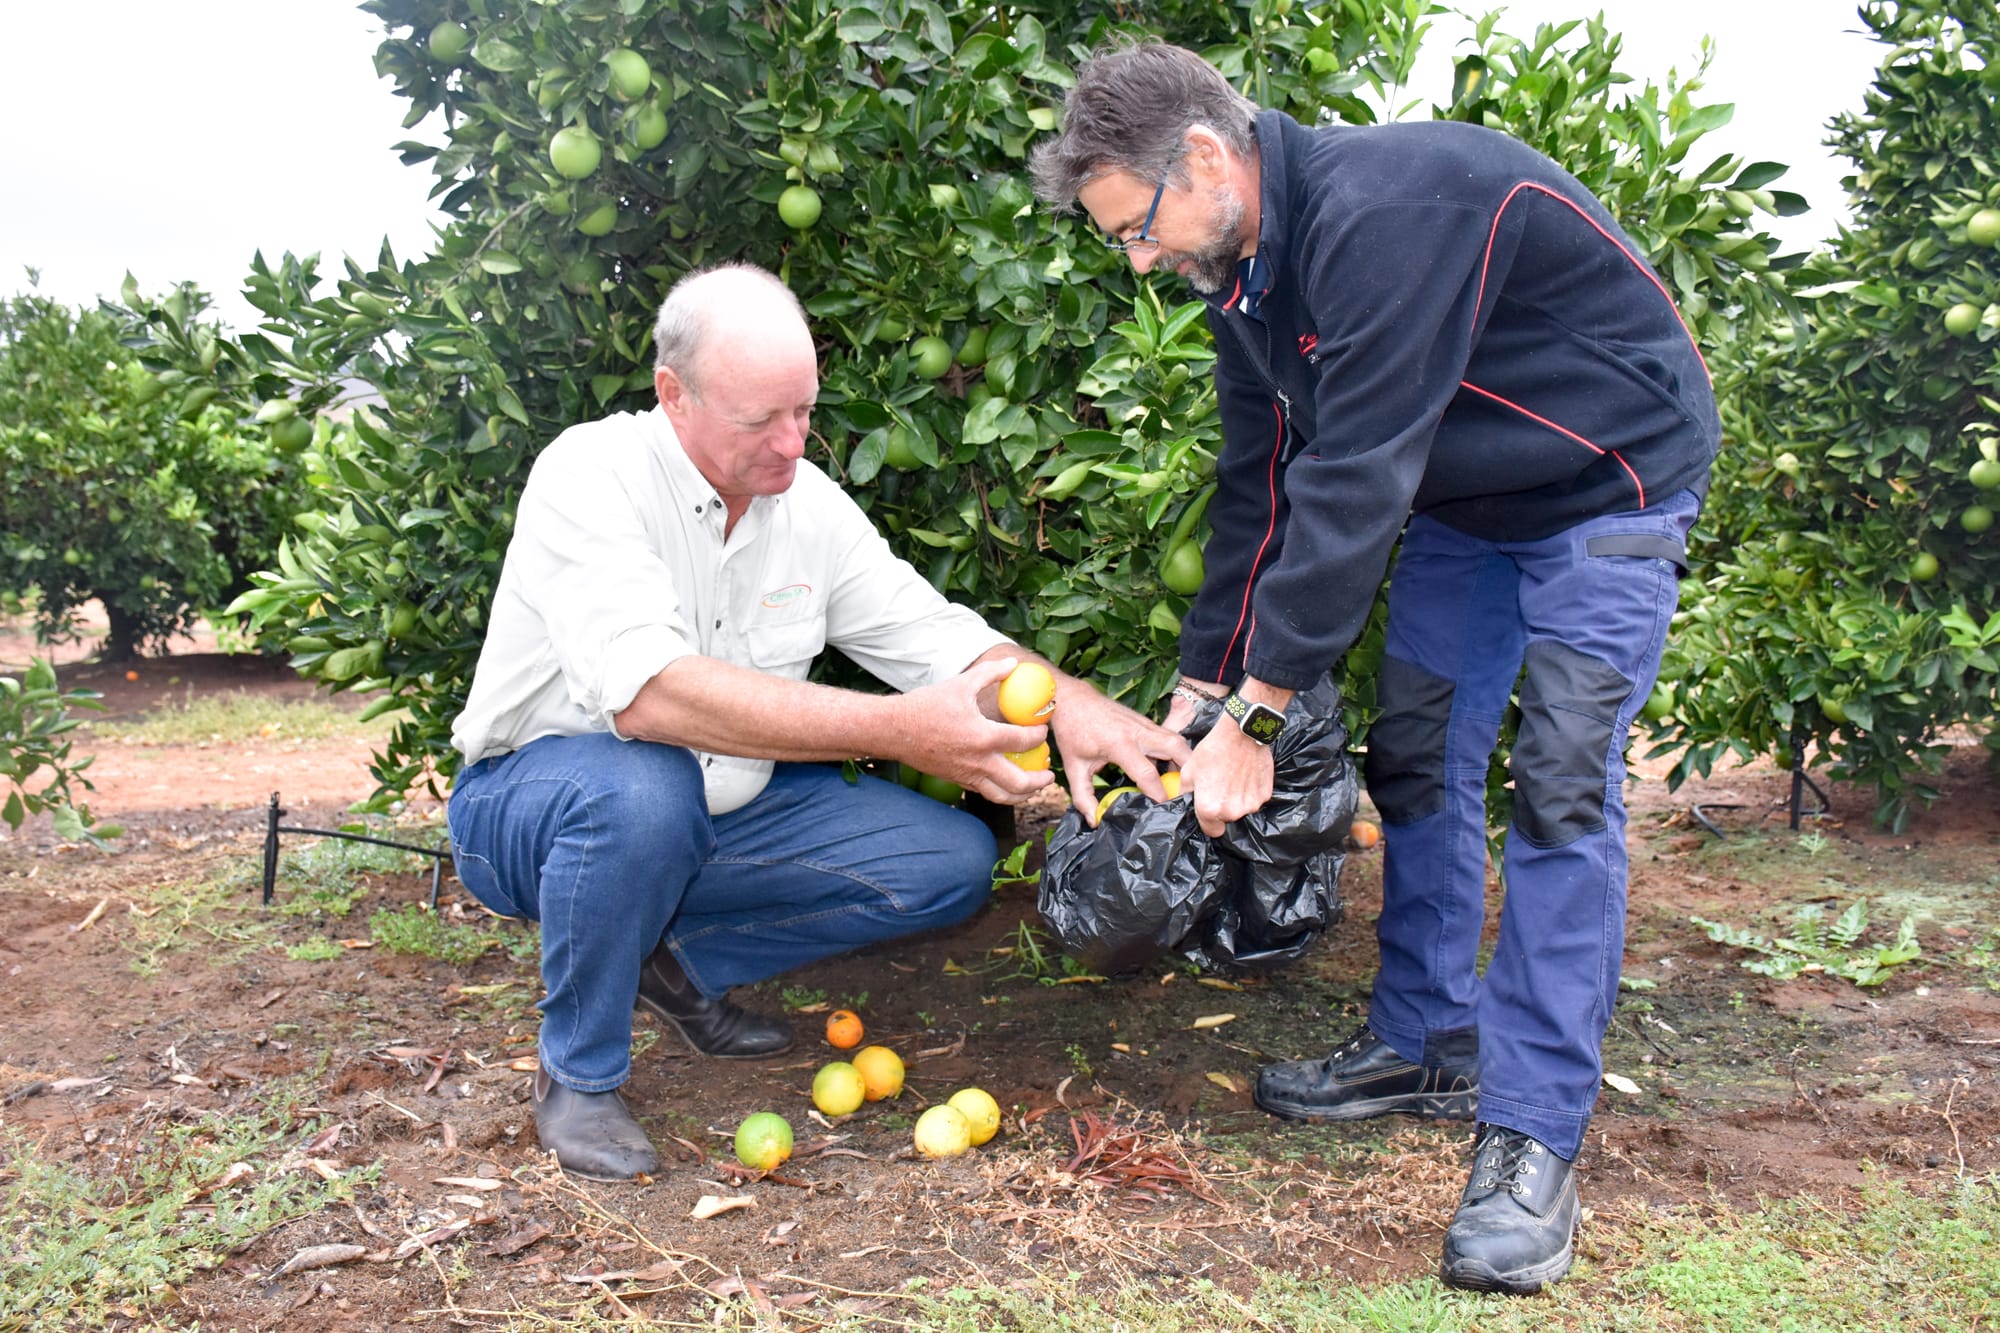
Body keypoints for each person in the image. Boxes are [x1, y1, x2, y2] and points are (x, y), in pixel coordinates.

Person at [1032, 42, 1718, 1293]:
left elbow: (1352, 482)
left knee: (1561, 783)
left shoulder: (1388, 211)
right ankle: (1421, 1037)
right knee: (1414, 760)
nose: (1138, 259)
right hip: (1469, 501)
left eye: (1136, 227)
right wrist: (1200, 688)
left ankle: (1531, 1135)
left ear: (1202, 159)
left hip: (1608, 479)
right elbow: (1261, 488)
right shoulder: (1245, 278)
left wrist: (1257, 712)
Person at [446, 263, 1189, 1182]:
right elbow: (651, 697)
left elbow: (934, 637)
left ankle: (667, 955)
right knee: (643, 785)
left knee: (947, 864)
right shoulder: (590, 476)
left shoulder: (808, 506)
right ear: (672, 396)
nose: (793, 443)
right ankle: (579, 1074)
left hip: (715, 812)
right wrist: (896, 730)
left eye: (804, 410)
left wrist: (1073, 703)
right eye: (761, 419)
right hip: (537, 804)